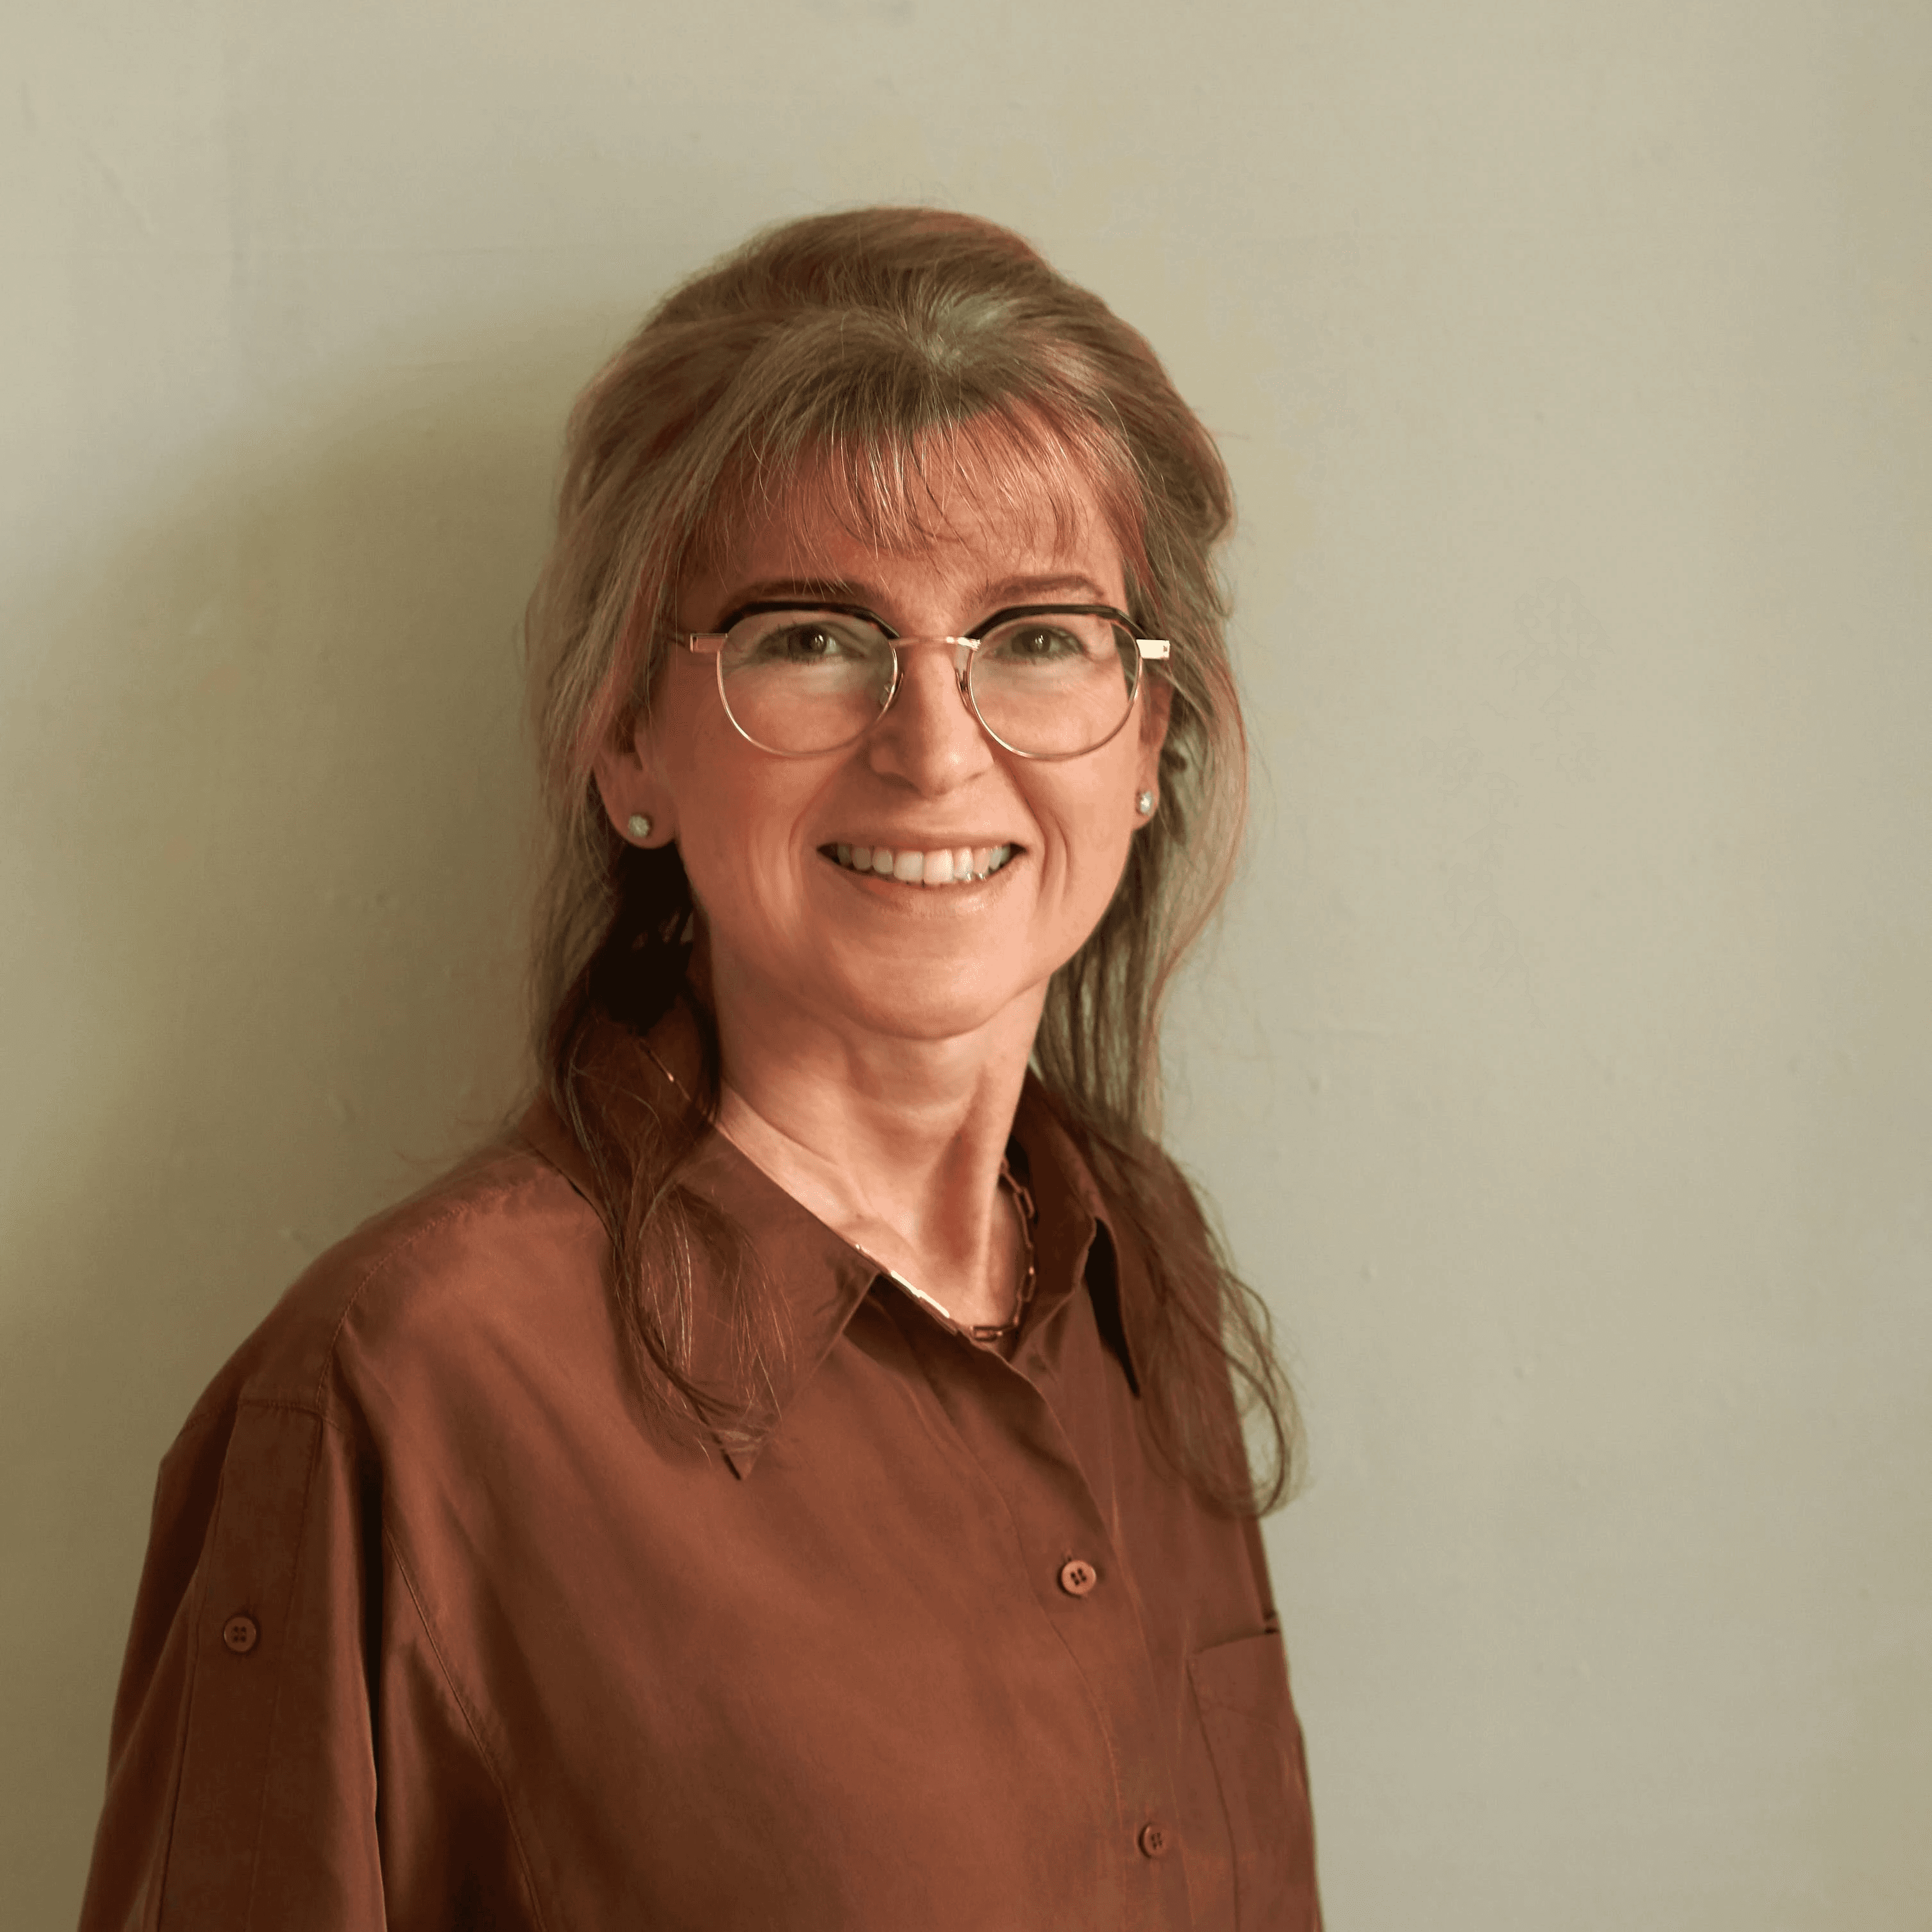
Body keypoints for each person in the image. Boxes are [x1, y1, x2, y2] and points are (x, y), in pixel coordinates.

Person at [78, 207, 1321, 1930]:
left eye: (1035, 636)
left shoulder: (1143, 1282)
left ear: (1145, 743)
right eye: (811, 636)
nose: (934, 750)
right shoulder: (402, 1391)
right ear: (626, 745)